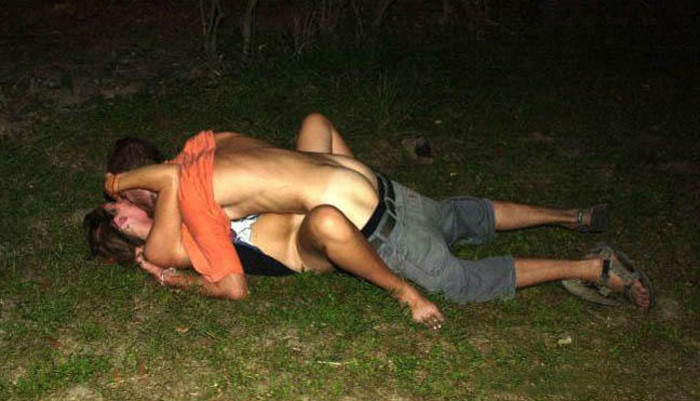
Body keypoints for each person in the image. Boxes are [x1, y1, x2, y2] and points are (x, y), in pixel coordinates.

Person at [85, 114, 654, 324]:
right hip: (370, 185)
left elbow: (225, 277)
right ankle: (572, 217)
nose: (125, 212)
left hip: (369, 218)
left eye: (122, 208)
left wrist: (124, 187)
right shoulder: (208, 145)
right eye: (121, 218)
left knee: (459, 281)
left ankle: (592, 266)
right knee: (456, 217)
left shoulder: (190, 188)